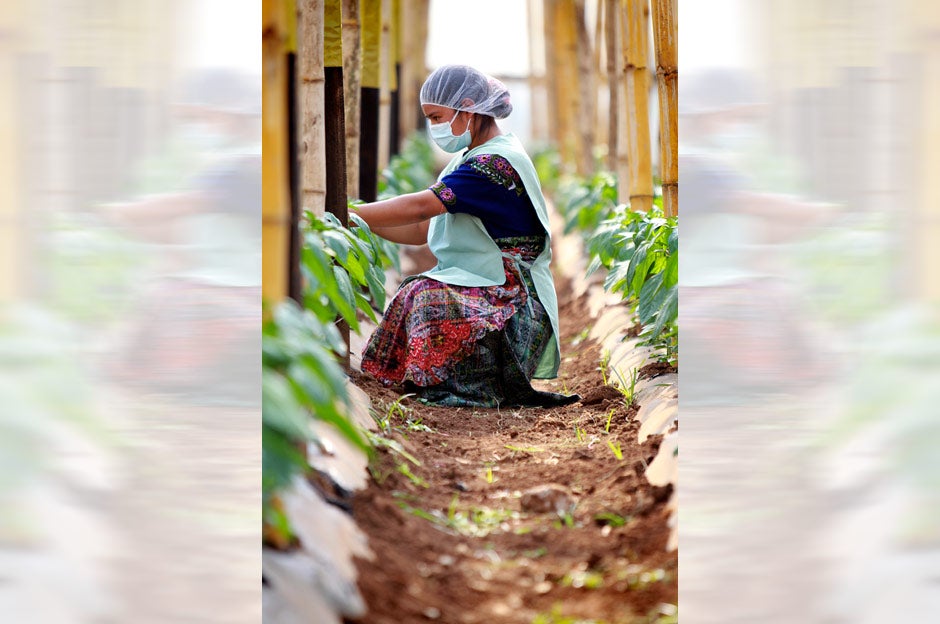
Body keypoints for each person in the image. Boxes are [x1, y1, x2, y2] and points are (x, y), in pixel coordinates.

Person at [354, 64, 578, 408]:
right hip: (499, 291)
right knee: (416, 288)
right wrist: (358, 223)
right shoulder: (469, 158)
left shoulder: (492, 165)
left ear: (468, 108)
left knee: (428, 296)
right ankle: (448, 378)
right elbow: (419, 231)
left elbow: (419, 209)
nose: (434, 128)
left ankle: (476, 385)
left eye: (436, 117)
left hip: (516, 308)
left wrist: (348, 212)